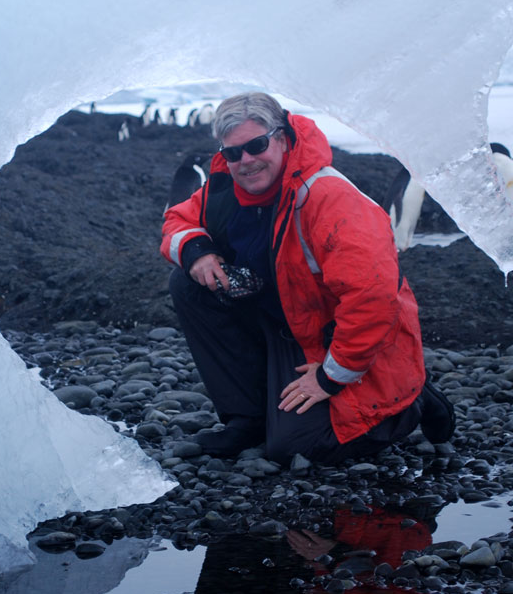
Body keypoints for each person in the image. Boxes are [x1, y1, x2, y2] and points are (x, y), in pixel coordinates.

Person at [160, 92, 453, 464]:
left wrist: (330, 377)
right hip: (288, 326)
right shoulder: (224, 190)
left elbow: (373, 299)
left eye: (256, 146)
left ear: (281, 138)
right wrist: (196, 251)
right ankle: (248, 416)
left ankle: (409, 402)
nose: (246, 161)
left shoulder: (328, 198)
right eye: (234, 153)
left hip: (342, 338)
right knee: (187, 284)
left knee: (296, 448)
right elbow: (177, 221)